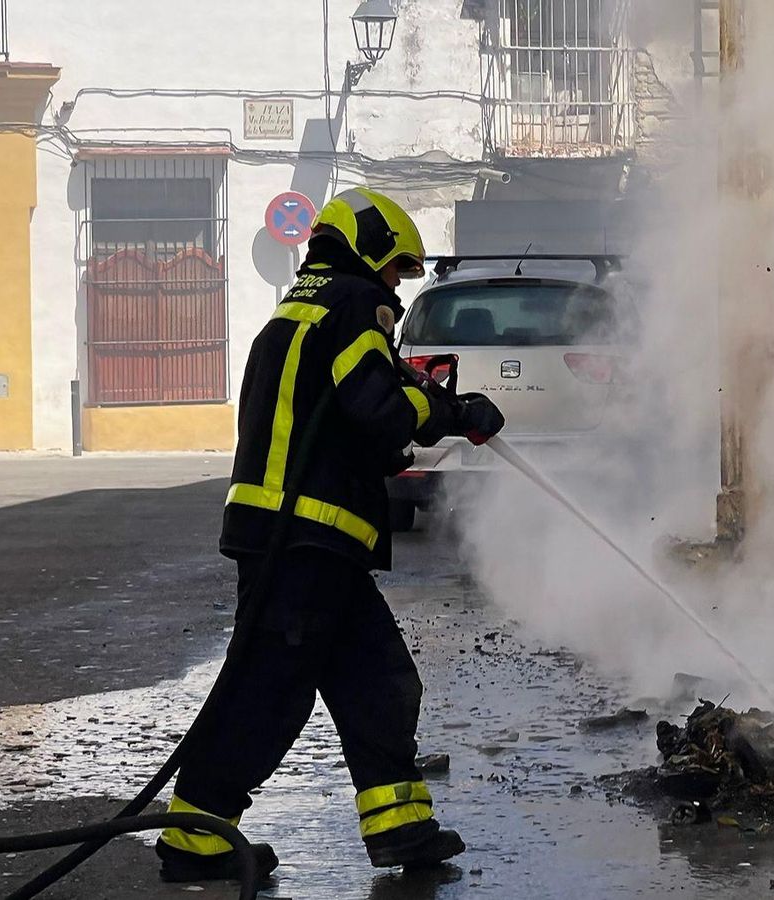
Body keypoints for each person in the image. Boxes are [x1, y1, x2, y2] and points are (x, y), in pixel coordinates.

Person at [155, 187, 505, 882]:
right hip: (303, 542)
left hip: (306, 541)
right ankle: (195, 838)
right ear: (370, 251)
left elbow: (337, 418)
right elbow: (380, 406)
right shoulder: (350, 304)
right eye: (398, 272)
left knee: (380, 683)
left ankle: (403, 831)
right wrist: (449, 408)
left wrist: (394, 440)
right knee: (268, 692)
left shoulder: (301, 309)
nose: (398, 288)